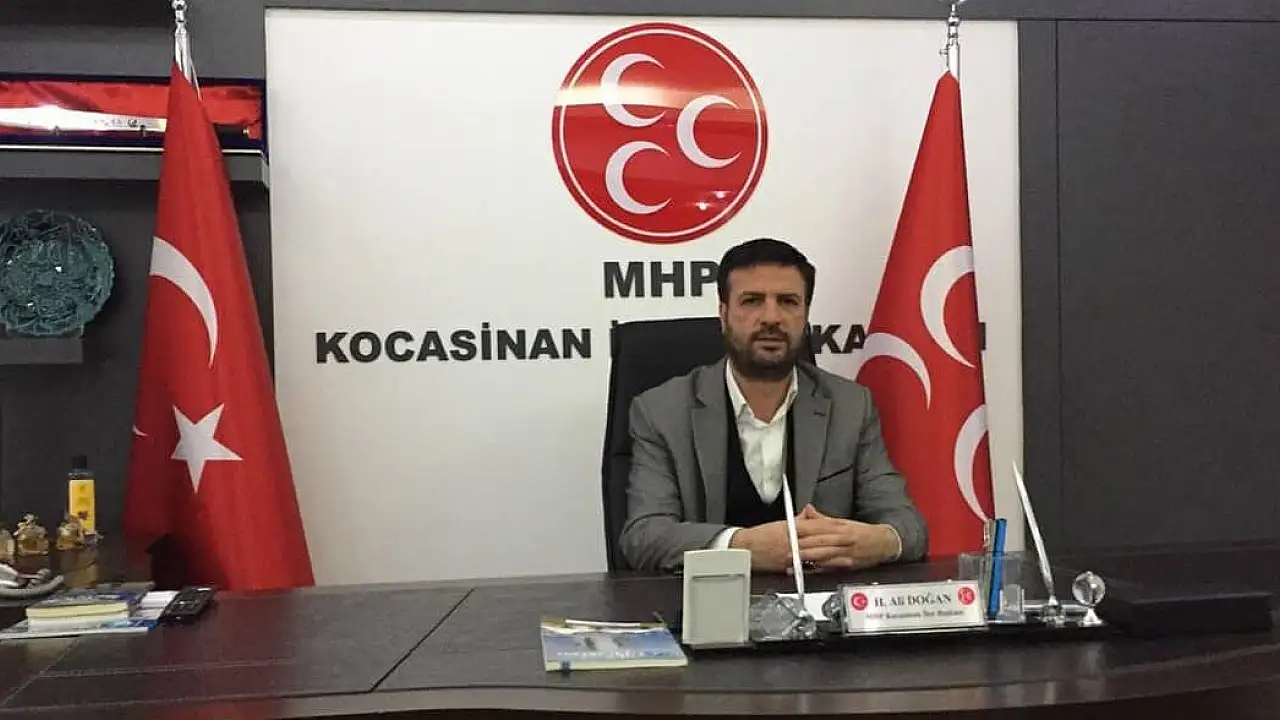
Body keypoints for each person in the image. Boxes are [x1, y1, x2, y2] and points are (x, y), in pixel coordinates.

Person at [618, 238, 927, 573]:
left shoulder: (850, 406)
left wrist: (877, 541)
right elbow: (645, 537)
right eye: (752, 301)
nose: (771, 317)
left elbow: (909, 527)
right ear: (723, 314)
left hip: (819, 601)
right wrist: (743, 546)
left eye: (788, 302)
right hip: (710, 601)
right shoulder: (662, 411)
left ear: (805, 315)